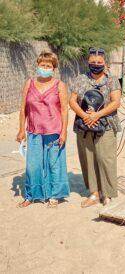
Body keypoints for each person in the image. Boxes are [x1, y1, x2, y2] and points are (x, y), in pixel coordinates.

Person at [16, 51, 70, 208]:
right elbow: (23, 109)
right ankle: (31, 195)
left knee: (55, 164)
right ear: (37, 65)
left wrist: (64, 132)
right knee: (33, 165)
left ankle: (54, 196)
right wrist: (21, 130)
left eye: (49, 66)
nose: (45, 68)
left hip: (54, 131)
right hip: (34, 131)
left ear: (54, 68)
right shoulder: (29, 83)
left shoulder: (59, 85)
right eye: (42, 65)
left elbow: (64, 110)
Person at [69, 47, 121, 208]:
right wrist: (86, 116)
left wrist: (96, 115)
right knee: (88, 159)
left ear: (105, 62)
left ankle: (107, 194)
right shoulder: (80, 79)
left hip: (106, 124)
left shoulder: (112, 80)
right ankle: (94, 193)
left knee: (106, 159)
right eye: (93, 62)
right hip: (84, 125)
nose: (96, 64)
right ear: (88, 62)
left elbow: (116, 102)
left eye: (99, 62)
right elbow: (72, 101)